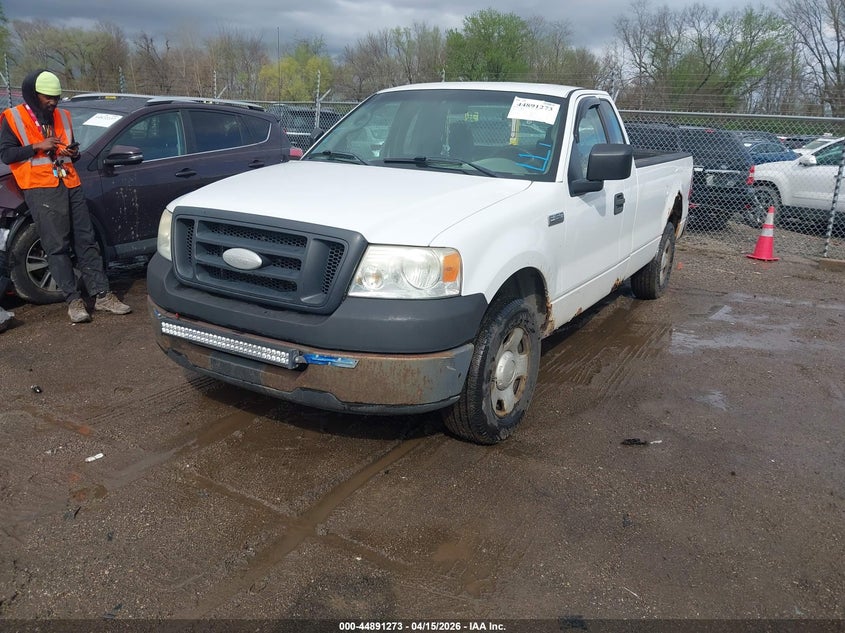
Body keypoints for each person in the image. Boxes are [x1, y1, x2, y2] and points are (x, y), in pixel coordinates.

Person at [0, 69, 131, 324]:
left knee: (87, 240)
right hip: (40, 188)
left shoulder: (63, 115)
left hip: (70, 181)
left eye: (56, 97)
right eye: (47, 97)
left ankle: (103, 296)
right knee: (56, 245)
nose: (53, 102)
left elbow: (68, 149)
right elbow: (6, 155)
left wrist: (73, 152)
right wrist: (38, 146)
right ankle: (73, 301)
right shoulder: (12, 118)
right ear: (32, 94)